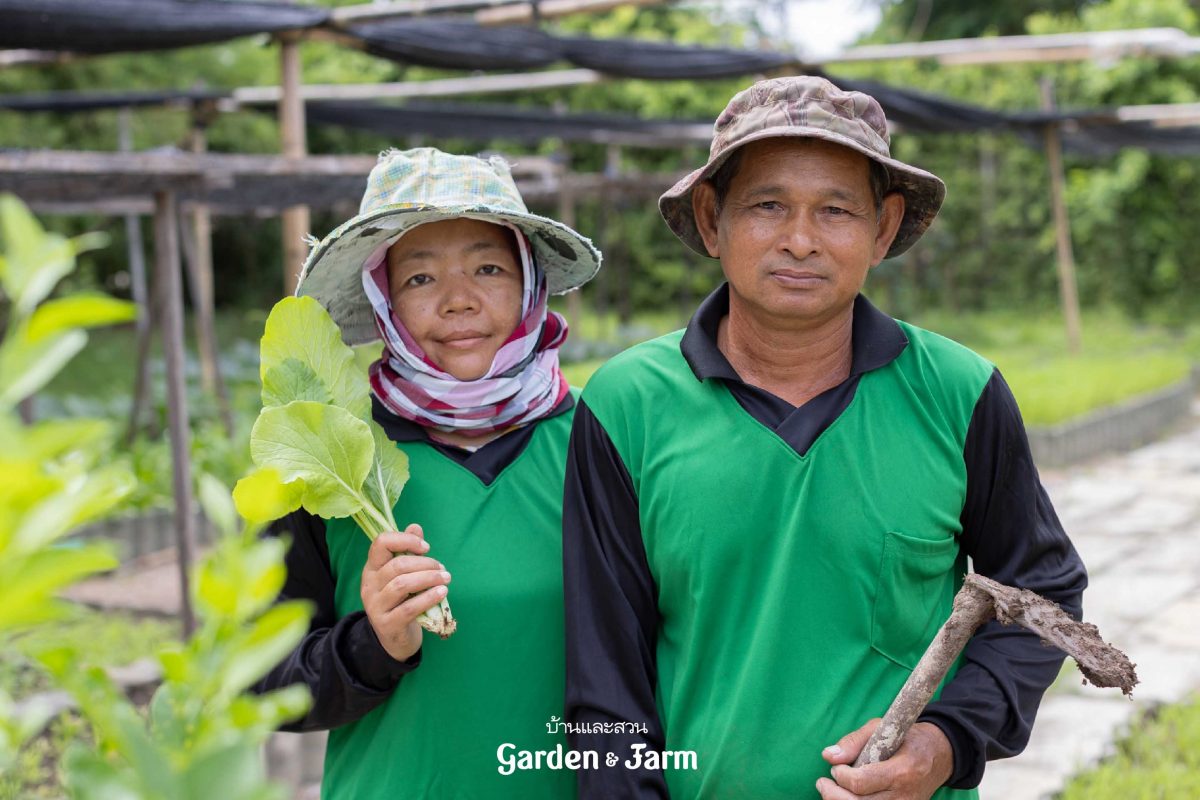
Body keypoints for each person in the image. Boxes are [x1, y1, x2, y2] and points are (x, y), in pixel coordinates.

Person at [561, 76, 1087, 800]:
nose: (800, 241)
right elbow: (603, 674)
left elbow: (1043, 590)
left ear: (883, 227)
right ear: (712, 220)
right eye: (767, 205)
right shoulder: (626, 405)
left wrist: (943, 744)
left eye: (835, 210)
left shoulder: (958, 393)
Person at [254, 147, 601, 798]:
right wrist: (371, 644)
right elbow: (260, 679)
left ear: (529, 282)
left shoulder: (602, 441)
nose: (458, 302)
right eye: (420, 279)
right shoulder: (327, 458)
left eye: (488, 268)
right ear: (383, 300)